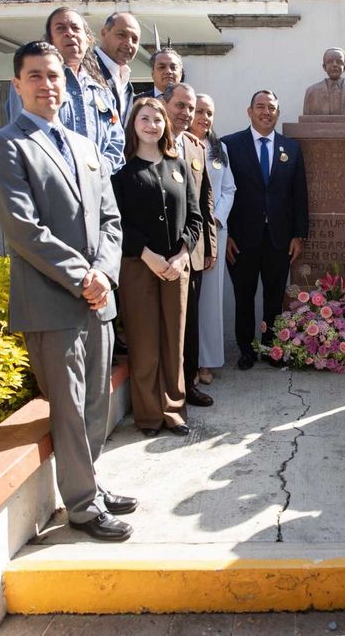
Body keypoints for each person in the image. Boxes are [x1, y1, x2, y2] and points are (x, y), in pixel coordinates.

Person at [0, 41, 136, 542]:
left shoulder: (86, 147)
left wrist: (104, 274)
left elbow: (111, 220)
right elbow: (23, 229)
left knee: (95, 405)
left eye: (53, 76)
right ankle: (83, 508)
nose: (47, 85)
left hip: (98, 300)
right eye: (35, 76)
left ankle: (89, 482)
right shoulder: (5, 144)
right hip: (53, 304)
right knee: (69, 409)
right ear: (17, 84)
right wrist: (83, 277)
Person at [111, 97, 202, 438]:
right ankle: (149, 415)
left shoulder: (178, 167)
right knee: (145, 343)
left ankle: (174, 411)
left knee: (174, 343)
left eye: (157, 119)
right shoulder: (122, 173)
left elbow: (195, 217)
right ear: (133, 125)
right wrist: (148, 255)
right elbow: (117, 223)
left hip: (176, 269)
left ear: (166, 125)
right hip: (139, 268)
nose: (152, 125)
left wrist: (182, 255)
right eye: (144, 119)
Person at [221, 90, 309, 371]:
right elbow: (220, 192)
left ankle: (272, 347)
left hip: (279, 239)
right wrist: (225, 235)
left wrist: (298, 235)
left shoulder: (291, 148)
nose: (266, 112)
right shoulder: (229, 145)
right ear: (250, 112)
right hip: (240, 239)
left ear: (278, 113)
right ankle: (246, 349)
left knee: (274, 296)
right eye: (260, 106)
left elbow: (299, 194)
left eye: (271, 108)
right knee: (244, 296)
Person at [6, 7, 125, 174]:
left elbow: (116, 142)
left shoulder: (103, 91)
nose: (69, 33)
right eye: (60, 28)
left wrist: (98, 173)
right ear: (50, 41)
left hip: (96, 185)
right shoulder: (32, 86)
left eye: (75, 28)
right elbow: (22, 138)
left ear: (88, 39)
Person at [162, 82, 217, 407]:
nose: (186, 113)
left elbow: (205, 198)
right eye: (180, 106)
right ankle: (165, 390)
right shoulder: (151, 141)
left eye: (191, 108)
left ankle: (189, 383)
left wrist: (210, 245)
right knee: (164, 326)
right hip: (161, 252)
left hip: (193, 251)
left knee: (190, 323)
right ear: (165, 105)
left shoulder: (196, 147)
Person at [190, 93, 237, 385]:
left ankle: (206, 362)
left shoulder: (219, 149)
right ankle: (187, 361)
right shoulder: (177, 144)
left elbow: (229, 189)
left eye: (209, 113)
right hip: (186, 233)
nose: (204, 118)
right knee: (186, 301)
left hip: (214, 232)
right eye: (199, 111)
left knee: (209, 301)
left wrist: (216, 218)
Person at [96, 12, 141, 120]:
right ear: (104, 33)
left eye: (134, 39)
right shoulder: (85, 69)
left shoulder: (126, 83)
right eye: (121, 35)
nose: (129, 43)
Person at [302, 47, 345, 116]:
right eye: (330, 62)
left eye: (339, 62)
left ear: (344, 67)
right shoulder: (311, 92)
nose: (334, 65)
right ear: (324, 67)